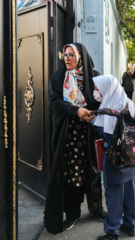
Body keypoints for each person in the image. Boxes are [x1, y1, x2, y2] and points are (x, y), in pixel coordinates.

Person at [45, 43, 107, 234]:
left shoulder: (93, 75)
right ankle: (73, 213)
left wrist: (94, 112)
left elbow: (100, 99)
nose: (67, 58)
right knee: (72, 173)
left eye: (71, 55)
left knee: (93, 170)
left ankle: (96, 208)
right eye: (65, 55)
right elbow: (54, 102)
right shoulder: (59, 77)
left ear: (80, 56)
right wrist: (76, 110)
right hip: (68, 134)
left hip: (89, 133)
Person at [92, 74, 135, 240]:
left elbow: (104, 134)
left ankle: (112, 232)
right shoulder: (127, 101)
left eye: (98, 89)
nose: (96, 92)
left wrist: (92, 121)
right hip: (131, 156)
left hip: (115, 159)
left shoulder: (108, 109)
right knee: (129, 191)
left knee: (113, 194)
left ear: (108, 89)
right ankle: (130, 225)